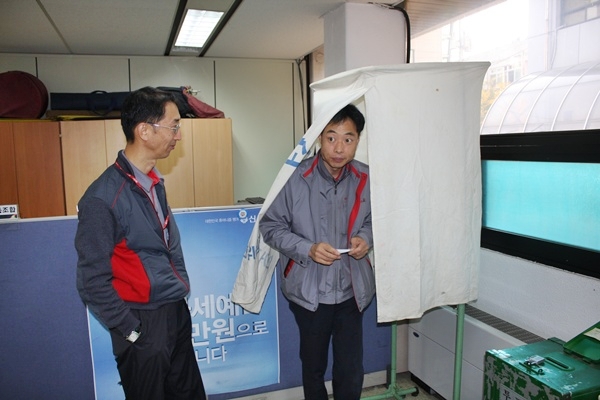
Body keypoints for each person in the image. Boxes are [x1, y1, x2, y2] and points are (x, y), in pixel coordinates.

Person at [75, 87, 206, 400]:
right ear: (144, 131)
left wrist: (178, 292)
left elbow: (165, 247)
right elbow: (91, 282)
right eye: (173, 126)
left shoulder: (153, 183)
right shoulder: (102, 198)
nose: (178, 135)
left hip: (174, 311)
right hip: (141, 320)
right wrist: (131, 330)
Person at [259, 104, 375, 400]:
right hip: (309, 291)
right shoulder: (294, 177)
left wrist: (366, 237)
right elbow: (270, 226)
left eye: (348, 139)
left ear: (357, 141)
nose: (339, 148)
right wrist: (308, 249)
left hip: (351, 290)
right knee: (313, 367)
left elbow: (378, 220)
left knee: (351, 368)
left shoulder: (366, 177)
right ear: (319, 138)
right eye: (331, 137)